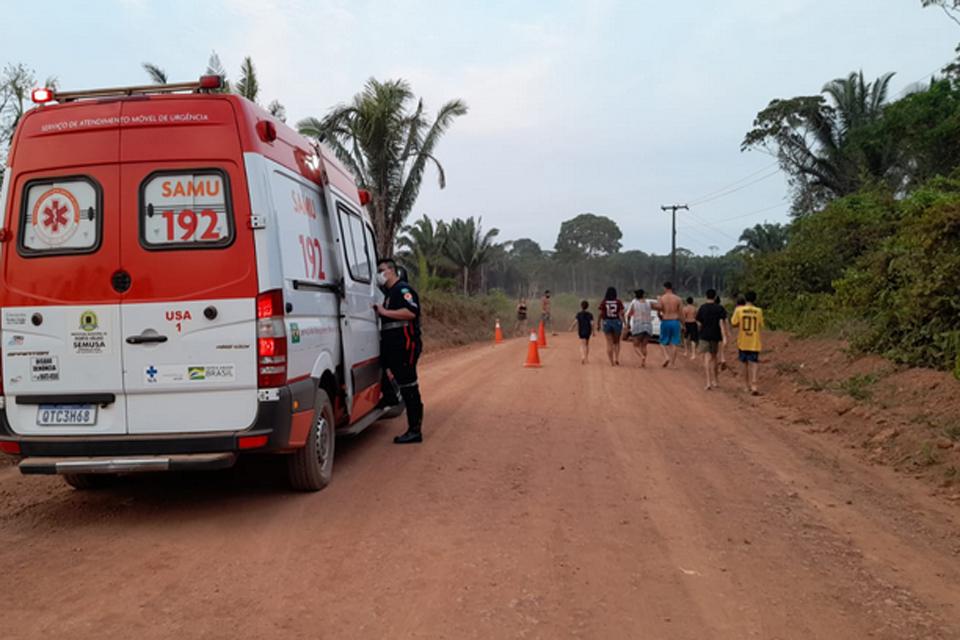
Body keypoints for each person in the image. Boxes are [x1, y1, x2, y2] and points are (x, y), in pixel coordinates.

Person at [373, 258, 425, 444]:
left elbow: (411, 312)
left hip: (405, 346)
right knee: (383, 367)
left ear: (391, 271)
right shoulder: (388, 294)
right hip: (393, 347)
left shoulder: (402, 290)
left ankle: (415, 430)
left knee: (409, 386)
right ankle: (390, 397)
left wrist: (385, 313)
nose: (379, 274)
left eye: (381, 270)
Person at [730, 290, 765, 396]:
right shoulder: (758, 311)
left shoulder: (739, 310)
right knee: (754, 363)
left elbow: (734, 323)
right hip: (754, 341)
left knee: (744, 363)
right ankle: (754, 385)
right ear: (755, 299)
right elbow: (761, 324)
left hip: (743, 340)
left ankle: (746, 385)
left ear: (745, 299)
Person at [696, 289, 728, 391]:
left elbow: (698, 322)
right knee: (714, 357)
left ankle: (708, 382)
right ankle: (716, 380)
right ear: (715, 297)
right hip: (715, 335)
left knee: (706, 358)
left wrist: (701, 328)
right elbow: (723, 322)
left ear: (706, 296)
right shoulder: (719, 308)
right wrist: (725, 335)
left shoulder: (702, 308)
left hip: (704, 335)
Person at [653, 281, 683, 368]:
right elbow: (681, 313)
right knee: (674, 343)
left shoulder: (662, 298)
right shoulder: (678, 299)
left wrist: (660, 316)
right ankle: (673, 364)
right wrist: (683, 324)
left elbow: (659, 310)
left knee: (662, 341)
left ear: (665, 288)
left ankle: (666, 356)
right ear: (671, 288)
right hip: (675, 321)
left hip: (665, 320)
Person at [597, 287, 625, 366]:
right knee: (617, 342)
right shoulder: (618, 302)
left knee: (609, 343)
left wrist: (598, 324)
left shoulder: (604, 302)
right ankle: (617, 358)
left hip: (607, 322)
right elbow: (622, 313)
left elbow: (600, 314)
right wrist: (625, 323)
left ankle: (611, 361)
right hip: (617, 322)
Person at [625, 289, 654, 367]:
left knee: (635, 345)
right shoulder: (648, 302)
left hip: (638, 325)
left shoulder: (634, 302)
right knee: (644, 346)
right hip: (648, 325)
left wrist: (628, 324)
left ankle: (642, 357)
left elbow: (628, 314)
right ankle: (643, 363)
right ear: (643, 294)